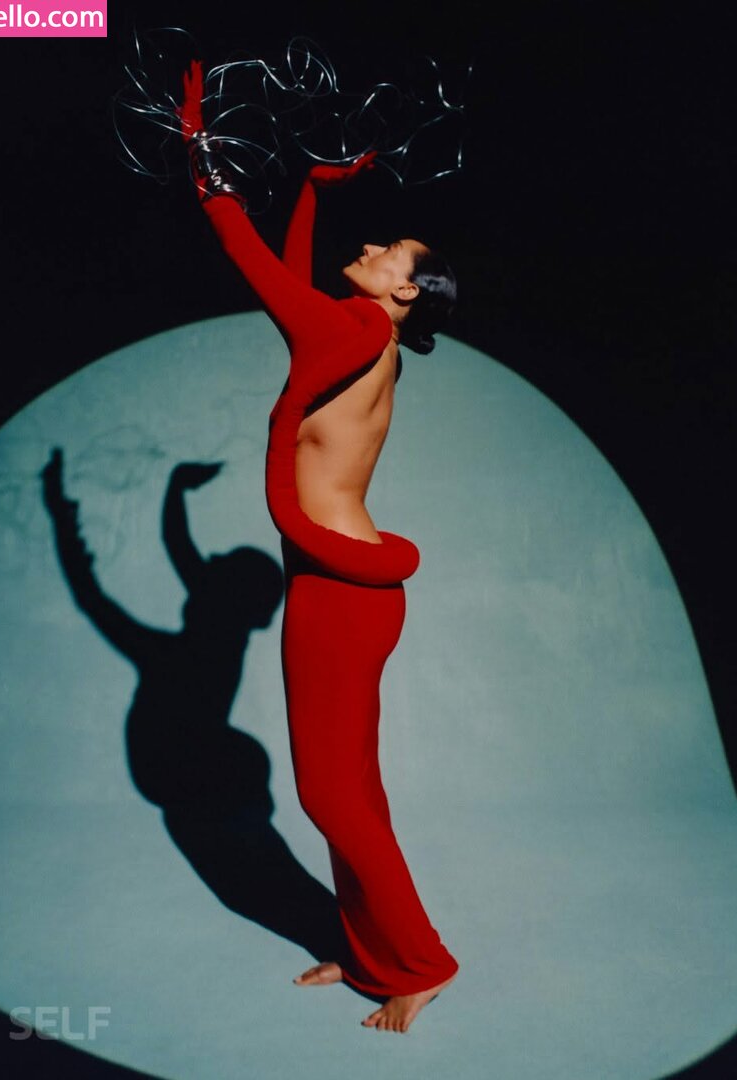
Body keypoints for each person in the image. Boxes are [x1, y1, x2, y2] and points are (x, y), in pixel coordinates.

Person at [179, 60, 459, 1033]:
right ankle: (372, 953)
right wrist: (308, 188)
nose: (371, 247)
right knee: (350, 794)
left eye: (389, 250)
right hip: (345, 584)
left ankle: (423, 963)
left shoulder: (346, 334)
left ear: (406, 290)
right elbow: (293, 285)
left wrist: (200, 151)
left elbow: (247, 255)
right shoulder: (360, 341)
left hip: (339, 591)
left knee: (332, 799)